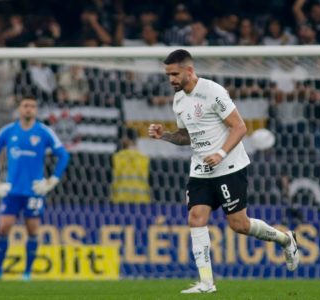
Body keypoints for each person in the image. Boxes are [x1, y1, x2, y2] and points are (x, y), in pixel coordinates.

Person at [148, 49, 299, 294]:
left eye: (175, 74)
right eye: (168, 75)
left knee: (239, 224)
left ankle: (285, 239)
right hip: (200, 169)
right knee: (196, 217)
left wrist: (220, 153)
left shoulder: (212, 91)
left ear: (189, 70)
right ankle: (206, 283)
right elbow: (187, 136)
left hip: (228, 166)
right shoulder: (179, 101)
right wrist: (163, 135)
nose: (171, 80)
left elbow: (240, 127)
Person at [0, 95, 70, 280]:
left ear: (36, 110)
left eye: (33, 106)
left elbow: (63, 155)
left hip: (34, 191)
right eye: (25, 106)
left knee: (32, 230)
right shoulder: (8, 131)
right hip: (12, 190)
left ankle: (27, 273)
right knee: (3, 227)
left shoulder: (44, 132)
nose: (29, 109)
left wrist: (51, 181)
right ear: (19, 109)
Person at [111, 127, 151, 203]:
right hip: (141, 200)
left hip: (121, 199)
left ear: (125, 139)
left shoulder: (117, 157)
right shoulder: (145, 158)